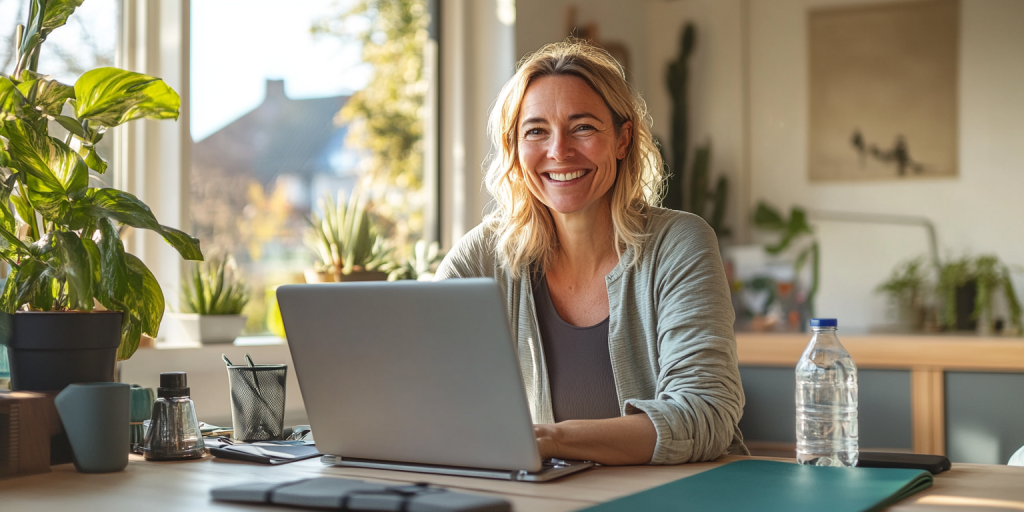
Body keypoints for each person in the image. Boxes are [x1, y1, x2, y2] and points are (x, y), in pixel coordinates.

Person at [435, 40, 746, 466]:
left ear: (622, 139)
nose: (558, 151)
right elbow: (423, 383)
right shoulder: (483, 255)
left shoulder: (679, 244)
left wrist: (547, 439)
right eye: (536, 131)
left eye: (582, 127)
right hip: (549, 499)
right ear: (515, 148)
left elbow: (704, 413)